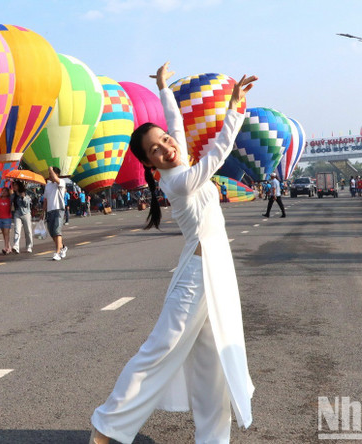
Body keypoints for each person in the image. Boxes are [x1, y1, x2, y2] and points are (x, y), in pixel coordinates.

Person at [90, 64, 256, 444]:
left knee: (212, 363)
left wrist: (165, 89)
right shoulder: (181, 181)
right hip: (197, 277)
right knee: (159, 349)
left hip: (215, 271)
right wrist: (233, 109)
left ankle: (213, 440)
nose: (166, 147)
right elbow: (218, 152)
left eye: (165, 141)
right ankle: (106, 426)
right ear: (148, 165)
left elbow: (175, 125)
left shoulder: (178, 163)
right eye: (156, 150)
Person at [45, 166, 67, 261]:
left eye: (51, 173)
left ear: (56, 174)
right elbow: (45, 199)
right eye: (49, 174)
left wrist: (50, 168)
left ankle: (57, 253)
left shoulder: (61, 182)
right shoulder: (48, 185)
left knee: (57, 231)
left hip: (59, 210)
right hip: (49, 211)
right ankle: (62, 247)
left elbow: (55, 179)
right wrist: (43, 212)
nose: (50, 175)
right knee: (52, 233)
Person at [11, 181, 33, 254]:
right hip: (17, 213)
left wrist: (23, 197)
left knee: (28, 231)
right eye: (13, 185)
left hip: (26, 213)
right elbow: (10, 202)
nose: (14, 187)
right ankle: (16, 247)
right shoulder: (13, 195)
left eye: (15, 185)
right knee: (17, 230)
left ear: (19, 186)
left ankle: (29, 246)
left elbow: (27, 204)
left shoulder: (26, 193)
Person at [0, 187, 13, 254]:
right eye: (2, 191)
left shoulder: (9, 200)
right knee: (4, 233)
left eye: (5, 191)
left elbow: (12, 207)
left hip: (7, 218)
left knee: (6, 233)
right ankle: (9, 247)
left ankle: (6, 247)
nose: (3, 192)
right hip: (0, 218)